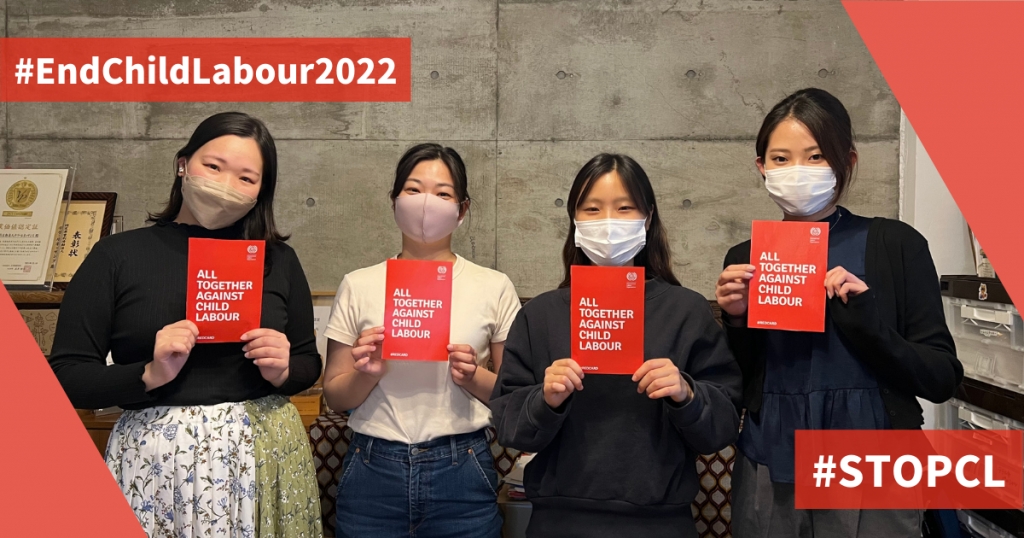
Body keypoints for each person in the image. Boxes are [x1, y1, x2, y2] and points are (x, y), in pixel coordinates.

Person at [48, 112, 323, 538]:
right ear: (183, 164)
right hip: (156, 463)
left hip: (265, 455)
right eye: (213, 166)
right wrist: (148, 374)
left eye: (246, 178)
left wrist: (284, 370)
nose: (225, 185)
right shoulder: (116, 256)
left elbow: (308, 361)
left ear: (260, 191)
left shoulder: (277, 260)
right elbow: (67, 375)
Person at [717, 88, 962, 538]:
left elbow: (941, 378)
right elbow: (739, 383)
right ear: (762, 167)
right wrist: (735, 321)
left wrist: (867, 321)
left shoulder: (896, 245)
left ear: (846, 161)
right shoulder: (746, 258)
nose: (797, 170)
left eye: (815, 157)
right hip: (772, 459)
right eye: (781, 158)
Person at [490, 153, 742, 538]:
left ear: (648, 218)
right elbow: (509, 426)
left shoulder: (686, 311)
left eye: (624, 208)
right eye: (592, 209)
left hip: (660, 524)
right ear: (575, 221)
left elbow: (721, 427)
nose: (608, 222)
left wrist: (687, 394)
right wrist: (546, 399)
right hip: (559, 522)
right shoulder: (540, 315)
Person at [322, 143, 521, 538]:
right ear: (395, 201)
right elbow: (334, 396)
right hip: (373, 466)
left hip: (461, 466)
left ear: (462, 209)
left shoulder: (493, 286)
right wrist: (367, 373)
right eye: (413, 189)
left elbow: (514, 395)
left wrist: (473, 376)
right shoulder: (358, 284)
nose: (426, 202)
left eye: (443, 193)